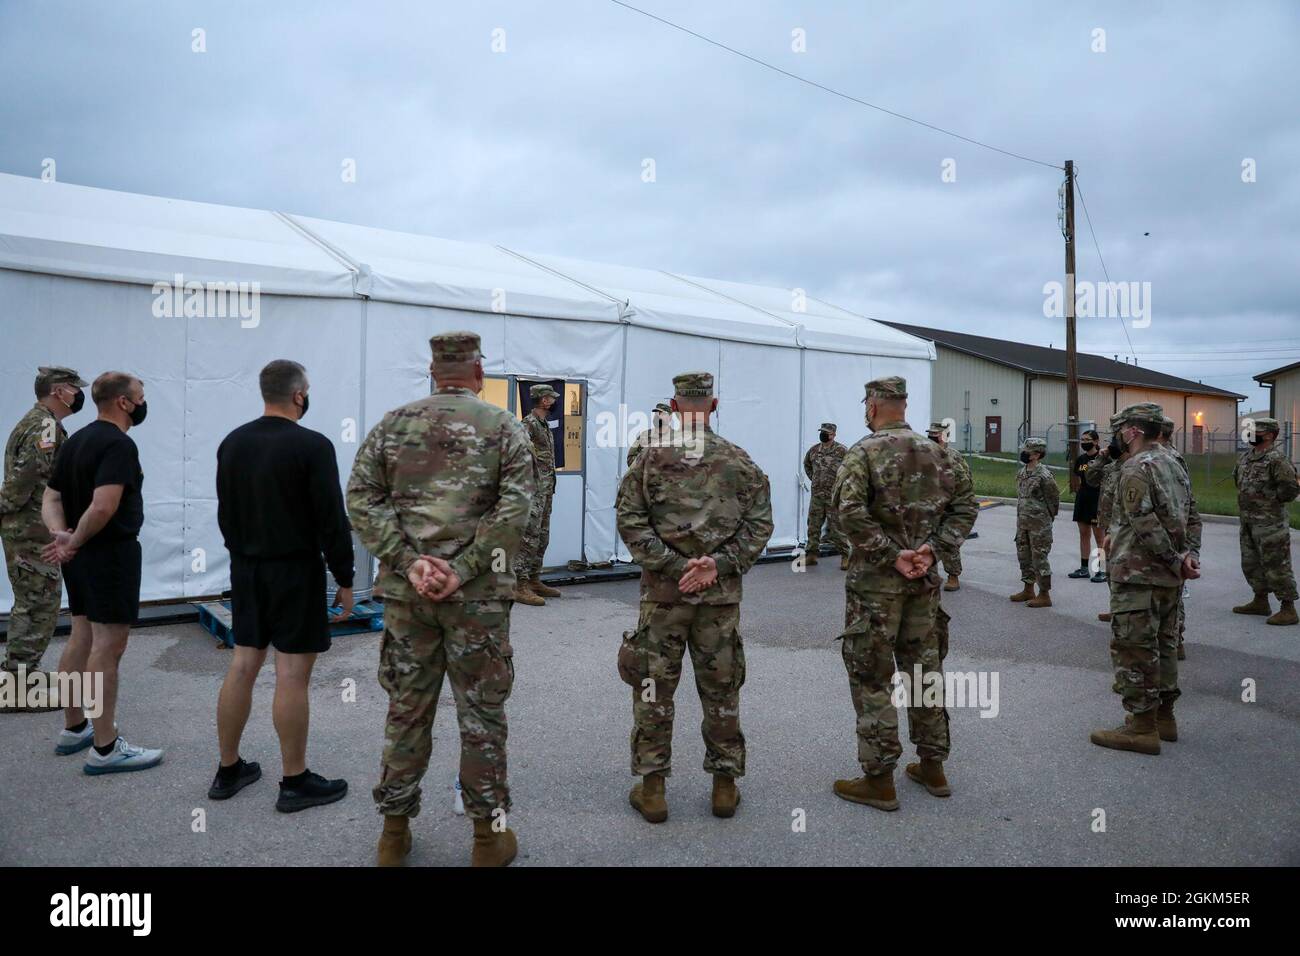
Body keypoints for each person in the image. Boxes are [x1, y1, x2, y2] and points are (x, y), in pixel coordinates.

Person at [348, 331, 533, 868]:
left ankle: (394, 834)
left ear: (433, 373)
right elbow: (517, 506)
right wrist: (466, 567)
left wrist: (410, 563)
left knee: (407, 709)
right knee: (481, 713)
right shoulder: (504, 427)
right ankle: (486, 839)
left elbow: (362, 498)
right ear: (478, 374)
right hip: (476, 597)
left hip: (410, 596)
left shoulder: (393, 424)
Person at [615, 371, 773, 823]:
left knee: (653, 691)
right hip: (719, 602)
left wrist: (674, 565)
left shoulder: (650, 457)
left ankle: (653, 791)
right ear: (715, 404)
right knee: (721, 691)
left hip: (663, 599)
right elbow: (760, 525)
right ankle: (724, 788)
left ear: (675, 404)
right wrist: (717, 565)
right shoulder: (740, 461)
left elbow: (630, 520)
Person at [210, 359, 354, 812]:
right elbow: (331, 519)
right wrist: (345, 579)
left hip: (246, 568)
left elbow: (224, 512)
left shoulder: (233, 442)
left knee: (243, 665)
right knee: (291, 675)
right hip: (294, 570)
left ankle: (228, 769)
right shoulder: (312, 445)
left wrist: (242, 555)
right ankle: (294, 780)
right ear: (298, 395)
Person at [830, 377, 976, 812]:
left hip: (876, 587)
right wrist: (932, 551)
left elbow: (848, 512)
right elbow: (966, 505)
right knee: (924, 673)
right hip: (923, 584)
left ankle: (879, 779)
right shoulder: (942, 452)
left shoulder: (863, 452)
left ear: (872, 406)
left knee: (874, 677)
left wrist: (892, 555)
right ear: (904, 406)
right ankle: (933, 765)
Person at [40, 372, 162, 773]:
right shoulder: (118, 444)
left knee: (81, 635)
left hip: (80, 555)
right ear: (124, 402)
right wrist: (71, 542)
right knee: (108, 646)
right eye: (140, 397)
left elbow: (52, 496)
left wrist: (61, 535)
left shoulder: (76, 439)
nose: (144, 403)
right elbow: (104, 506)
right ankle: (106, 747)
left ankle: (75, 727)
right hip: (108, 554)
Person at [1090, 404, 1196, 754]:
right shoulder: (1173, 461)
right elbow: (1190, 513)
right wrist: (1187, 556)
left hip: (1138, 574)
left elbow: (1144, 522)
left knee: (1135, 649)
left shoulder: (1135, 467)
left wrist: (1172, 558)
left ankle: (1141, 727)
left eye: (1121, 430)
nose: (1119, 436)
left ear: (1133, 431)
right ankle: (1165, 719)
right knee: (1165, 646)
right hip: (1168, 576)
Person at [1, 366, 87, 705]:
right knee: (37, 605)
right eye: (74, 389)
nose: (78, 395)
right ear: (58, 391)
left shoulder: (39, 421)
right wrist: (6, 508)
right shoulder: (45, 426)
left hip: (29, 528)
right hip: (31, 531)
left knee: (35, 602)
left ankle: (21, 671)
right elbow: (24, 480)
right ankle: (18, 685)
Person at [1230, 416, 1299, 626]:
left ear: (1269, 435)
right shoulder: (1246, 457)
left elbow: (1290, 489)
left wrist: (1270, 502)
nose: (1251, 434)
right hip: (1249, 522)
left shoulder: (1277, 459)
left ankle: (1288, 608)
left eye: (1256, 431)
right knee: (1251, 563)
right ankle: (1260, 601)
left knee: (1277, 565)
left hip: (1271, 524)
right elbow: (1237, 481)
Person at [1158, 417, 1202, 659]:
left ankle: (1175, 641)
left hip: (1168, 541)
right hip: (1168, 541)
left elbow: (1184, 508)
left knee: (1170, 595)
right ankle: (1171, 642)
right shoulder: (1156, 457)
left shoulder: (1168, 460)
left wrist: (1189, 551)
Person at [513, 383, 560, 607]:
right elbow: (520, 455)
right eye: (552, 397)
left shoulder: (543, 424)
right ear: (543, 400)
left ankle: (533, 579)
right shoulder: (528, 424)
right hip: (533, 489)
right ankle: (519, 584)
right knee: (528, 537)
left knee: (542, 536)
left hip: (546, 488)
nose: (554, 400)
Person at [1010, 437, 1059, 608]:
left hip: (1039, 525)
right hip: (1023, 523)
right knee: (1024, 556)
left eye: (1027, 450)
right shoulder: (1022, 472)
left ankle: (1044, 594)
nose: (1023, 453)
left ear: (1036, 454)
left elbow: (1053, 500)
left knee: (1039, 559)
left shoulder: (1044, 475)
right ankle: (1028, 589)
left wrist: (1046, 520)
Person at [925, 421, 972, 591]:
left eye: (935, 434)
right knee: (926, 541)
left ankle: (953, 576)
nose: (931, 437)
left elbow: (966, 482)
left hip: (948, 506)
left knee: (949, 541)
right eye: (930, 434)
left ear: (944, 436)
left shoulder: (954, 457)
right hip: (929, 506)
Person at [803, 422, 848, 570]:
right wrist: (815, 479)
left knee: (837, 528)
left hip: (833, 496)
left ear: (833, 434)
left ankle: (846, 556)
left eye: (826, 432)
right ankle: (811, 555)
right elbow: (807, 465)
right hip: (817, 494)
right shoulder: (814, 450)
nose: (822, 434)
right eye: (821, 431)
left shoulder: (842, 451)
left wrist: (839, 486)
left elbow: (850, 470)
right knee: (813, 526)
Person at [1067, 429, 1106, 582]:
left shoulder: (1103, 458)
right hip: (1082, 499)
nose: (1084, 442)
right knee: (1084, 534)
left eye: (1087, 439)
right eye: (1082, 439)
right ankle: (1084, 569)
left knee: (1099, 537)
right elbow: (1079, 479)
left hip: (1097, 500)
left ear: (1096, 441)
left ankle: (1100, 570)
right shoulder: (1081, 460)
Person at [627, 402, 673, 468]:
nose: (658, 416)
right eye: (656, 414)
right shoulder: (644, 436)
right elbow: (630, 460)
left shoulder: (677, 438)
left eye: (662, 414)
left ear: (670, 417)